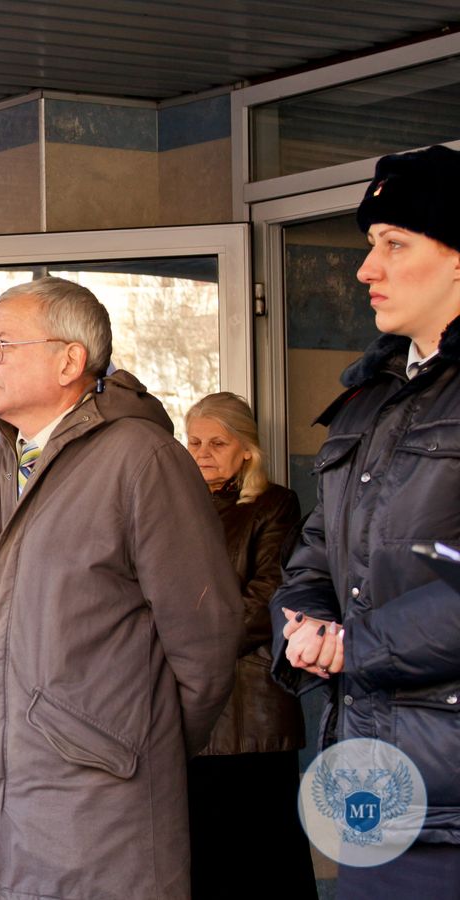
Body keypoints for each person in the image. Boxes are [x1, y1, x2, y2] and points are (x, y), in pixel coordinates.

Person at [0, 277, 242, 899]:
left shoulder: (142, 458)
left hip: (100, 813)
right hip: (4, 803)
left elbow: (206, 646)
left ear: (69, 360)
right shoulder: (7, 463)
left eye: (2, 343)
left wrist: (134, 747)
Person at [271, 144, 460, 897]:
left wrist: (358, 646)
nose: (366, 270)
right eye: (369, 246)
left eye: (394, 244)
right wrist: (306, 628)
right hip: (374, 787)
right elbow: (316, 555)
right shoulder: (372, 398)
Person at [183, 392, 316, 899]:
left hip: (252, 716)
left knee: (265, 860)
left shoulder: (274, 503)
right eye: (194, 441)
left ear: (246, 450)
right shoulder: (179, 506)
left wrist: (184, 645)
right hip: (193, 713)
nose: (202, 452)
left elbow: (268, 600)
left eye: (218, 442)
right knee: (207, 864)